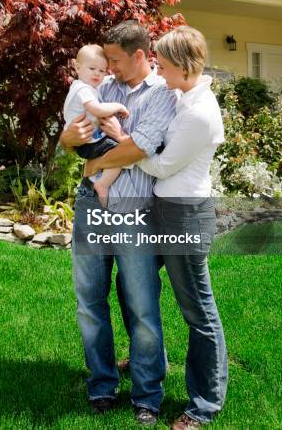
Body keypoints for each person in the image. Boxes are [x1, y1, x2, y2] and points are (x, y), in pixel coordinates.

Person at [88, 25, 228, 429]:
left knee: (199, 313)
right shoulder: (184, 96)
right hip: (162, 211)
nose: (159, 74)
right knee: (133, 284)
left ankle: (203, 405)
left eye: (163, 66)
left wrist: (122, 143)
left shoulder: (200, 112)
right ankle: (151, 357)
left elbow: (161, 163)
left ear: (185, 66)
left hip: (184, 217)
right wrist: (133, 144)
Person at [60, 21, 177, 426]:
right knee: (90, 301)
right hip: (92, 202)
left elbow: (140, 146)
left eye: (114, 59)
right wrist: (68, 139)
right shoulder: (102, 89)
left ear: (140, 55)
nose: (107, 66)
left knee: (141, 305)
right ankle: (102, 385)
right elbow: (71, 135)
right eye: (105, 59)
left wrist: (95, 161)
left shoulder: (162, 95)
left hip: (133, 210)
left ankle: (147, 395)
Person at [63, 43, 130, 206]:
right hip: (88, 143)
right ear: (77, 68)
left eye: (102, 71)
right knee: (120, 153)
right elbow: (98, 109)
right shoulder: (83, 89)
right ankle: (103, 184)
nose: (97, 74)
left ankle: (99, 177)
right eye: (92, 68)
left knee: (118, 152)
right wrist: (118, 106)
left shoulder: (86, 87)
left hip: (88, 141)